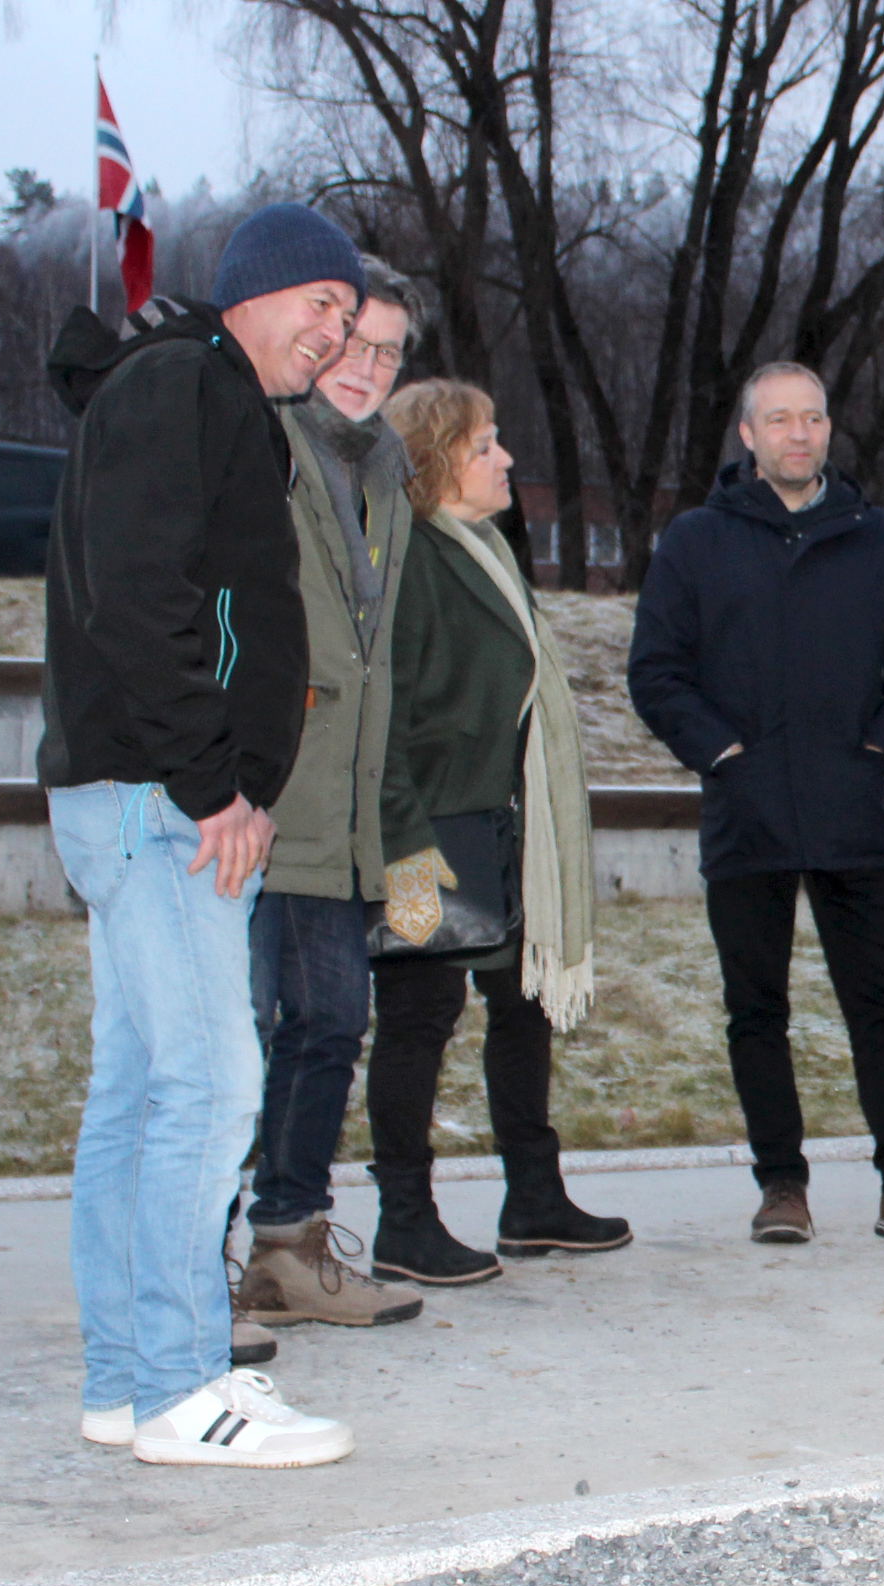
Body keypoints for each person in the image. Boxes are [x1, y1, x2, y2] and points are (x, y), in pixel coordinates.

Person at [39, 201, 362, 1467]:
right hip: (161, 794)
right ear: (248, 294)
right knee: (207, 1086)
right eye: (316, 306)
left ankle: (126, 1383)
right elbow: (143, 592)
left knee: (137, 1088)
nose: (331, 334)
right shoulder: (187, 387)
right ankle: (186, 1383)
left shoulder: (194, 393)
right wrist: (213, 782)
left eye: (348, 314)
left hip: (135, 786)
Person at [628, 361, 884, 1248]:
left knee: (883, 1004)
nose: (799, 435)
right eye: (780, 421)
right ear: (749, 436)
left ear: (830, 431)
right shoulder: (695, 541)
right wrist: (720, 753)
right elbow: (656, 671)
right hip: (746, 812)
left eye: (814, 419)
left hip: (851, 812)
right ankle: (781, 1186)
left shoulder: (876, 539)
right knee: (756, 1009)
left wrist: (880, 748)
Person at [361, 376, 634, 1283]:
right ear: (437, 460)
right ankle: (404, 1219)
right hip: (423, 832)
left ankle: (534, 1197)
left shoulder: (483, 551)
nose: (506, 457)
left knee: (520, 1007)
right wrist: (406, 853)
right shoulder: (405, 559)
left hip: (501, 826)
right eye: (486, 444)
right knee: (418, 1016)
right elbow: (379, 723)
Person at [232, 256, 432, 1328]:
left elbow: (385, 660)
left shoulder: (385, 468)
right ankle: (195, 1261)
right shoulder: (265, 442)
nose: (369, 365)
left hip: (346, 805)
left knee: (326, 1023)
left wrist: (400, 836)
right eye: (355, 341)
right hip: (260, 792)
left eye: (392, 351)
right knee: (239, 1033)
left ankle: (287, 1247)